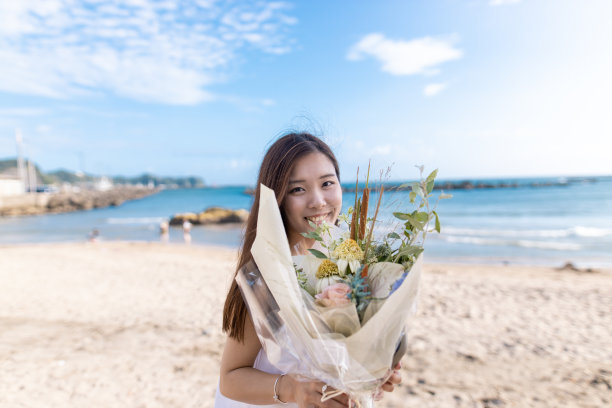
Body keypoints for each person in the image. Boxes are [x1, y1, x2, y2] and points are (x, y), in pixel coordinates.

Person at [216, 133, 401, 408]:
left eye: (327, 183)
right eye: (297, 189)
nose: (318, 201)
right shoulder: (265, 275)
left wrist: (375, 372)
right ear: (276, 198)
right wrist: (291, 389)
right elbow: (230, 379)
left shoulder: (353, 256)